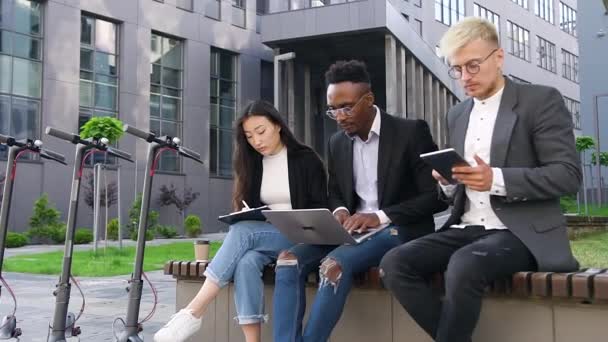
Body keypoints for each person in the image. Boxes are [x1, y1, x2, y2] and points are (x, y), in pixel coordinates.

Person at [380, 17, 581, 342]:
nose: (464, 78)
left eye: (472, 66)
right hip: (466, 228)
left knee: (463, 266)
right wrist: (448, 181)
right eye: (456, 69)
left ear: (498, 57)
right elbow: (457, 192)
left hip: (519, 231)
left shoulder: (541, 101)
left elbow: (567, 175)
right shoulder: (457, 114)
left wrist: (495, 179)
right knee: (394, 262)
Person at [272, 60, 446, 342]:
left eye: (347, 107)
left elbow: (435, 198)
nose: (339, 117)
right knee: (288, 260)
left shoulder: (411, 132)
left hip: (398, 229)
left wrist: (380, 216)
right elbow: (336, 192)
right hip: (351, 231)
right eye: (333, 109)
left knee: (333, 266)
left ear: (369, 100)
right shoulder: (337, 143)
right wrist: (339, 211)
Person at [154, 100, 327, 342]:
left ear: (278, 125)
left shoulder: (305, 159)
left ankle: (194, 311)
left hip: (301, 236)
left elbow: (320, 210)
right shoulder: (251, 163)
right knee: (246, 262)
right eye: (249, 136)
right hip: (266, 238)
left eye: (261, 131)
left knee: (245, 231)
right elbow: (248, 206)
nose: (256, 141)